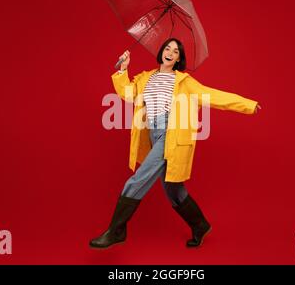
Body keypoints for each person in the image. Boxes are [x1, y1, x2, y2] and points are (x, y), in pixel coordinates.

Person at [89, 38, 261, 249]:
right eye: (168, 48)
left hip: (171, 134)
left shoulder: (184, 82)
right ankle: (200, 225)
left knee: (137, 180)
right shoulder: (146, 78)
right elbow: (127, 94)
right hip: (153, 133)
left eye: (176, 51)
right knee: (173, 189)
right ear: (161, 51)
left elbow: (213, 96)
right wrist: (123, 70)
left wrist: (247, 105)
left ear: (179, 58)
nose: (170, 52)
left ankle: (116, 231)